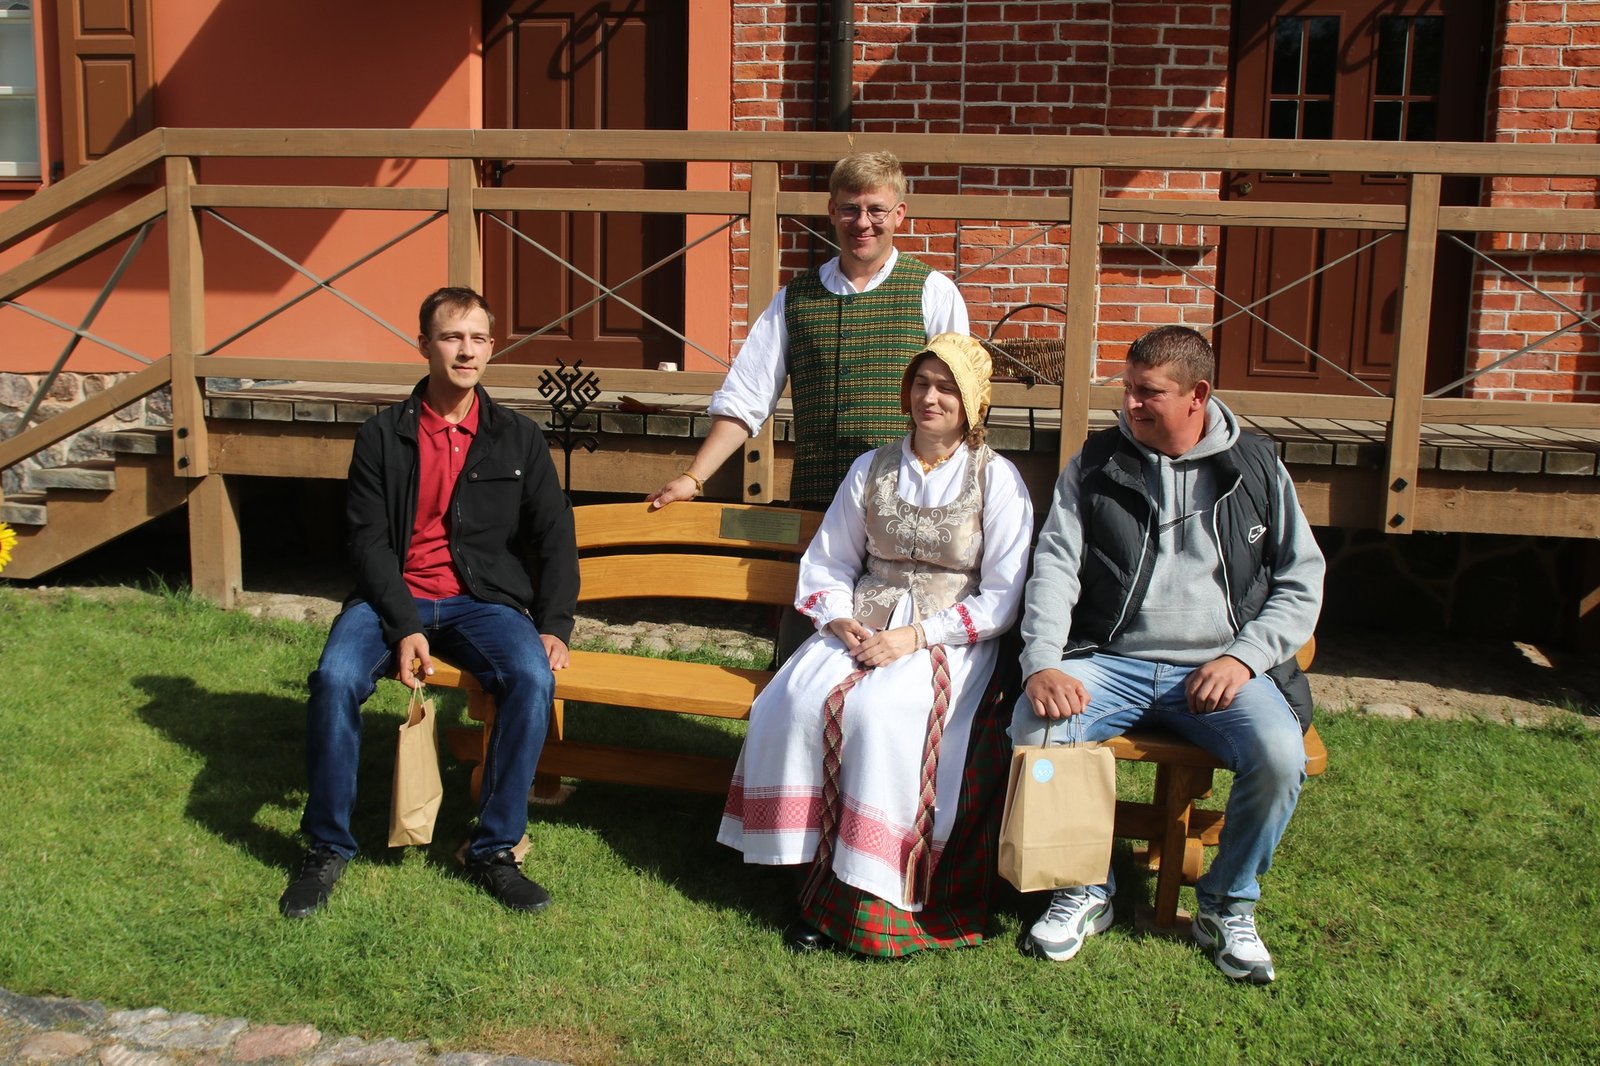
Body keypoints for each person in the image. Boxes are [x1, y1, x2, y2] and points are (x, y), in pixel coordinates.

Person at [1010, 325, 1324, 984]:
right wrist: (1043, 662)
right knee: (1037, 727)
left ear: (1197, 395)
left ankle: (1226, 905)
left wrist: (1244, 658)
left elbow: (1302, 580)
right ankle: (1082, 889)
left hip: (1220, 670)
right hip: (1111, 660)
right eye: (1127, 388)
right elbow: (1055, 567)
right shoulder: (1096, 463)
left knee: (1279, 754)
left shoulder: (1259, 468)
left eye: (1147, 392)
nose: (1129, 404)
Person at [718, 333, 1033, 956]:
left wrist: (916, 636)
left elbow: (1001, 597)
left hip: (949, 634)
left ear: (974, 401)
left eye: (947, 388)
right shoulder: (872, 467)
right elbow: (830, 560)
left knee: (878, 712)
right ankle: (803, 864)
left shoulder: (997, 479)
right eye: (921, 384)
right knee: (793, 700)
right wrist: (837, 618)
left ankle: (868, 880)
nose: (930, 398)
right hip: (864, 622)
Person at [279, 286, 579, 919]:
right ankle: (327, 847)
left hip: (482, 600)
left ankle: (494, 849)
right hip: (392, 596)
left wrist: (554, 624)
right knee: (334, 678)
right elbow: (366, 541)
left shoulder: (518, 437)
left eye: (477, 338)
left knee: (531, 676)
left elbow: (554, 534)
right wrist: (403, 624)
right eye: (451, 337)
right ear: (424, 345)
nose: (465, 351)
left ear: (491, 348)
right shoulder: (381, 436)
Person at [648, 150, 969, 510]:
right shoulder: (795, 298)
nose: (862, 222)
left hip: (905, 502)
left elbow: (960, 403)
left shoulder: (933, 292)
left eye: (876, 210)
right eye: (850, 209)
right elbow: (746, 395)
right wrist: (693, 477)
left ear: (899, 214)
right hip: (817, 504)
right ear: (832, 211)